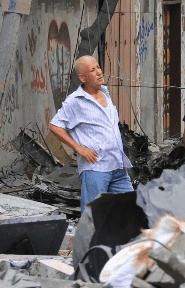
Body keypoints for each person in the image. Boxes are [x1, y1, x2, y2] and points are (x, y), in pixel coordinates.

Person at [49, 56, 133, 212]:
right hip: (96, 168)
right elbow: (54, 126)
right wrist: (79, 149)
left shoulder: (105, 92)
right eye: (93, 70)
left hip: (117, 166)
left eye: (99, 67)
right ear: (82, 77)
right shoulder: (75, 100)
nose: (99, 72)